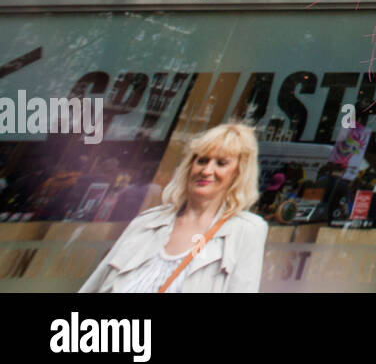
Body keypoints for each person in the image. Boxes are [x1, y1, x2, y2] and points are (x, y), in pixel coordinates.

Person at [80, 123, 268, 293]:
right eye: (202, 160)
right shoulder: (147, 222)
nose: (207, 170)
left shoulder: (247, 231)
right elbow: (96, 284)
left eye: (221, 163)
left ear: (238, 173)